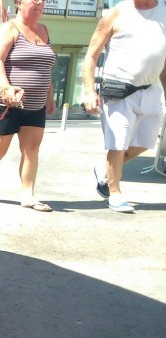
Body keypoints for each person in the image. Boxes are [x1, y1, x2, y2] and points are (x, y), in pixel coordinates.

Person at [0, 0, 56, 212]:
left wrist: (49, 95)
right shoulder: (9, 28)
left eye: (42, 0)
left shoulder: (44, 30)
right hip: (6, 103)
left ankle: (28, 195)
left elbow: (45, 67)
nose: (40, 2)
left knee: (32, 149)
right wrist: (5, 88)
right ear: (19, 3)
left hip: (36, 105)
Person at [82, 0, 166, 213]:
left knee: (146, 142)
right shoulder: (116, 13)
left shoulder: (164, 12)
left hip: (151, 89)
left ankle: (104, 170)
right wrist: (90, 91)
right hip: (118, 89)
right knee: (117, 144)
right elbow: (91, 55)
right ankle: (115, 193)